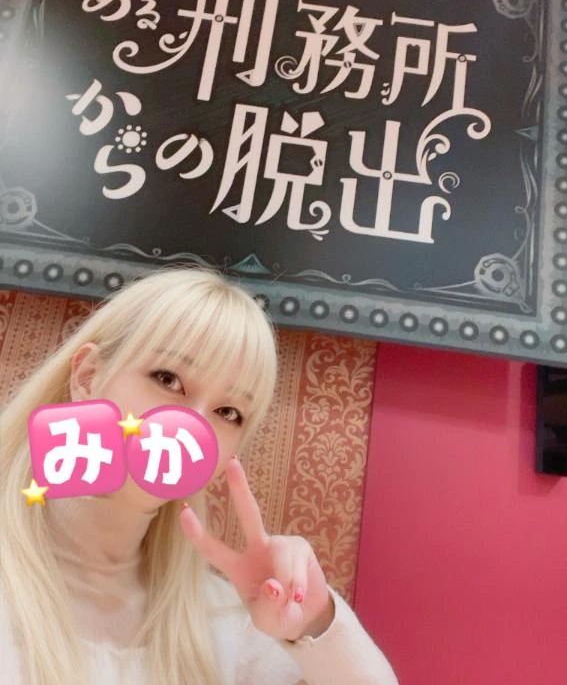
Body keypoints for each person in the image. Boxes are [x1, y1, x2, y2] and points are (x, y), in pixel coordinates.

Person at [0, 267, 399, 685]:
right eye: (167, 379)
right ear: (87, 376)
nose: (191, 426)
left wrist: (315, 621)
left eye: (228, 412)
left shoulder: (224, 625)